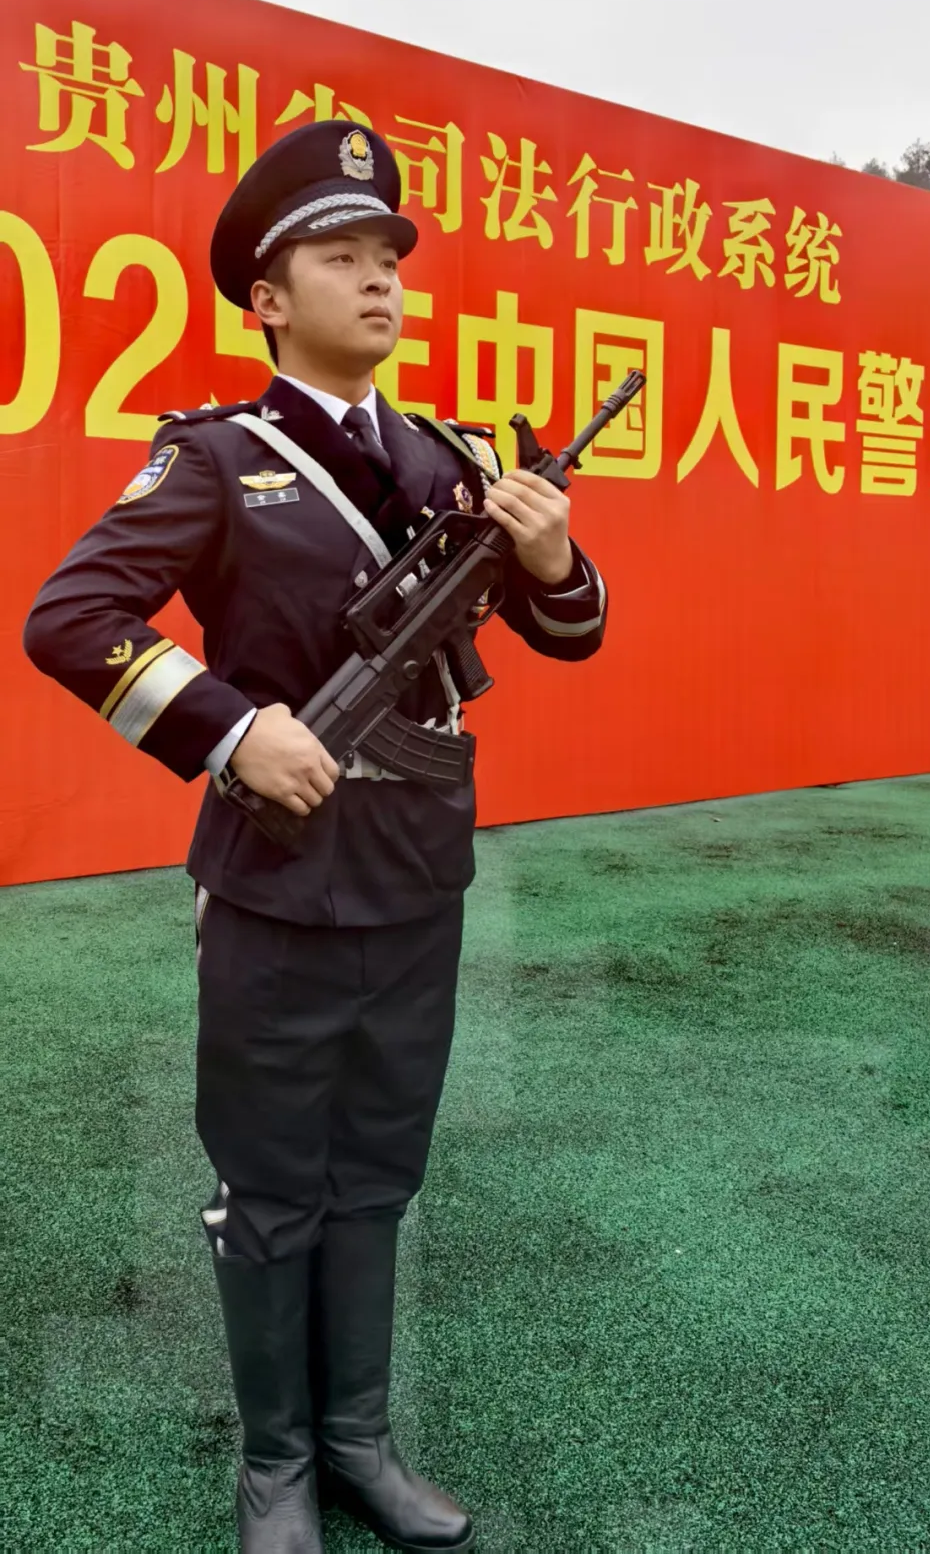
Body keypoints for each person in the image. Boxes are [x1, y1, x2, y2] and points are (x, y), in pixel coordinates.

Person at [23, 120, 608, 1554]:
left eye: (388, 256)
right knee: (275, 1185)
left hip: (418, 876)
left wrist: (551, 555)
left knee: (380, 1172)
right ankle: (277, 1465)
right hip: (279, 885)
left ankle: (360, 1441)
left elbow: (574, 632)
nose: (382, 279)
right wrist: (232, 730)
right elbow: (70, 619)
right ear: (269, 299)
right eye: (341, 258)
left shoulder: (454, 459)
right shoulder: (220, 459)